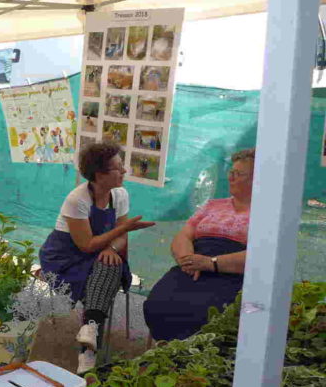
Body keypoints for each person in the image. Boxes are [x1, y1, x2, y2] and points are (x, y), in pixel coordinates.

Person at [39, 142, 155, 373]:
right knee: (107, 270)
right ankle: (89, 348)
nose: (124, 172)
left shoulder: (120, 195)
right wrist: (121, 232)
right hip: (65, 256)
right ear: (99, 174)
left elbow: (120, 239)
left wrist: (112, 247)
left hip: (98, 250)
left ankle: (89, 336)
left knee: (110, 264)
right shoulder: (77, 199)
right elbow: (86, 245)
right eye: (118, 168)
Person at [144, 149, 254, 341]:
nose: (231, 178)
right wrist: (186, 260)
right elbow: (183, 236)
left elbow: (260, 257)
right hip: (193, 267)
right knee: (158, 302)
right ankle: (168, 353)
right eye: (231, 172)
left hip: (230, 274)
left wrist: (210, 263)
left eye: (238, 174)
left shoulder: (266, 213)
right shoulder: (213, 205)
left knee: (204, 313)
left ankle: (188, 360)